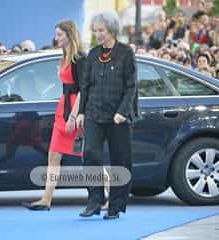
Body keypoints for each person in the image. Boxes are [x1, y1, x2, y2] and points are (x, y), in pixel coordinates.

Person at [77, 11, 138, 220]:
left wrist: (122, 112)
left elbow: (131, 87)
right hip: (94, 113)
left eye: (101, 30)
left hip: (117, 117)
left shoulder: (126, 53)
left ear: (112, 30)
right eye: (95, 31)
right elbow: (85, 86)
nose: (98, 34)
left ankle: (115, 205)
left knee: (120, 161)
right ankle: (94, 201)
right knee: (91, 155)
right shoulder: (93, 54)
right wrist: (81, 112)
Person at [22, 20, 85, 211]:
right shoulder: (64, 55)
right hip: (63, 107)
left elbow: (84, 90)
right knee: (53, 155)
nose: (56, 38)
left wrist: (74, 116)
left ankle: (111, 196)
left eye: (59, 34)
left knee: (89, 157)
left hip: (75, 110)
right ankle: (46, 199)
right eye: (56, 34)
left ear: (69, 35)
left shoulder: (79, 58)